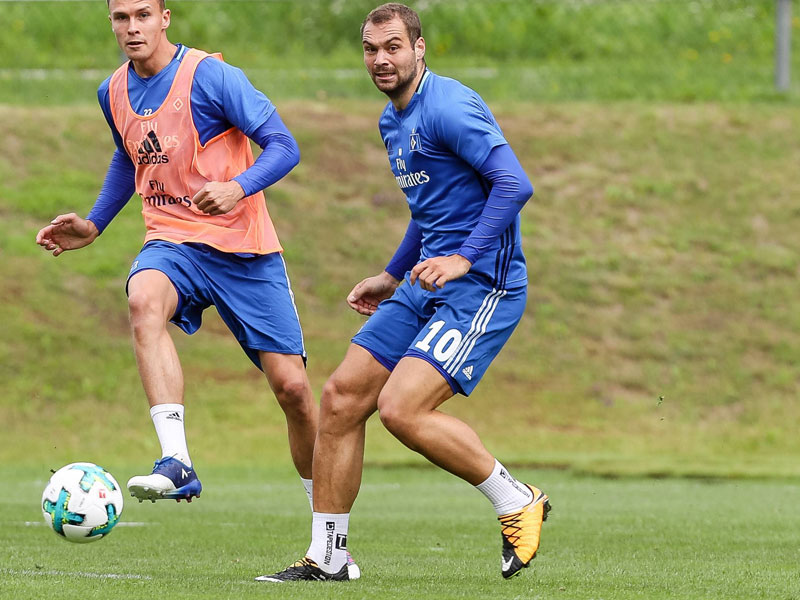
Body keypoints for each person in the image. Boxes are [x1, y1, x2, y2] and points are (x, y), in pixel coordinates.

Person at [258, 2, 548, 583]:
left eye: (393, 46)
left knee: (400, 408)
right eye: (371, 49)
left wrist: (464, 258)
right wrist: (393, 273)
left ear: (420, 49)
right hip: (422, 284)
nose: (381, 59)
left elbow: (515, 183)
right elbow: (429, 209)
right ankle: (330, 557)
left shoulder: (448, 105)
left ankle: (516, 499)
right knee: (340, 399)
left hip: (481, 285)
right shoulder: (393, 120)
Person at [35, 0, 319, 510]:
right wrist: (95, 223)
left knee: (294, 391)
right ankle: (177, 461)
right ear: (111, 23)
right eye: (121, 18)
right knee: (143, 298)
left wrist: (238, 186)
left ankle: (329, 529)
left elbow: (283, 145)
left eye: (143, 14)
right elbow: (129, 154)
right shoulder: (113, 91)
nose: (132, 27)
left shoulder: (211, 76)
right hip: (172, 240)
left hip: (243, 248)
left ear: (165, 17)